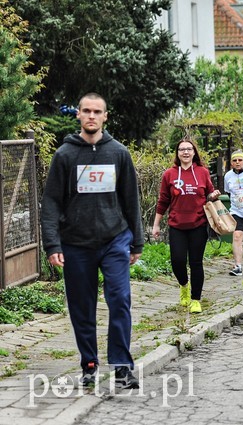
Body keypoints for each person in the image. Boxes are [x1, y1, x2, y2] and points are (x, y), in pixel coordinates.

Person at [41, 92, 145, 389]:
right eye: (86, 111)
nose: (91, 116)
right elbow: (50, 203)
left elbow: (131, 199)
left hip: (114, 239)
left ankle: (122, 366)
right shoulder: (65, 155)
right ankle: (89, 363)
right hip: (76, 243)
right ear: (78, 115)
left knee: (120, 300)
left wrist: (136, 241)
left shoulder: (118, 153)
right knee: (81, 306)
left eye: (96, 112)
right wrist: (53, 244)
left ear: (105, 116)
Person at [153, 138, 221, 315]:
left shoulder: (203, 172)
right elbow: (163, 201)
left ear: (194, 152)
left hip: (198, 224)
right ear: (177, 153)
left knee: (196, 263)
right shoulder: (169, 174)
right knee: (177, 261)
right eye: (181, 149)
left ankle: (195, 299)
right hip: (176, 225)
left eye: (189, 149)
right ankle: (184, 284)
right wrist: (156, 225)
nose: (185, 152)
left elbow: (209, 194)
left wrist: (213, 195)